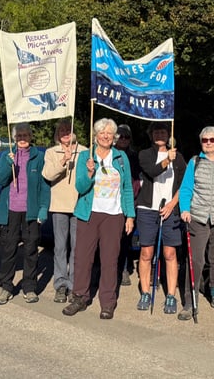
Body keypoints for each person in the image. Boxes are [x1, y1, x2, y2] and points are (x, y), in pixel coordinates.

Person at [62, 118, 136, 319]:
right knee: (83, 257)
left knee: (110, 260)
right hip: (89, 213)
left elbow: (127, 187)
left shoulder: (121, 158)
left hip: (114, 215)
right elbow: (80, 187)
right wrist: (88, 172)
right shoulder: (86, 156)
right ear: (96, 135)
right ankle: (79, 297)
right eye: (102, 132)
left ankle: (108, 302)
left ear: (114, 137)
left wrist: (130, 215)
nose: (105, 136)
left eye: (109, 133)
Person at [177, 126, 214, 321]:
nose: (208, 143)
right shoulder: (195, 162)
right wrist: (184, 209)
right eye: (205, 140)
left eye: (212, 140)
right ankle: (189, 299)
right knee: (195, 260)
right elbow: (186, 188)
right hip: (198, 217)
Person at [0, 123, 50, 304]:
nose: (22, 138)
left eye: (26, 135)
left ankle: (29, 287)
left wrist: (43, 208)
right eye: (19, 135)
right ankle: (6, 286)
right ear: (14, 138)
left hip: (31, 212)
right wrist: (7, 163)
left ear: (31, 137)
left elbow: (44, 186)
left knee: (31, 249)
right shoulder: (6, 155)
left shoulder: (39, 157)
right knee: (9, 250)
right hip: (11, 211)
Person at [135, 121, 187, 314]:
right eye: (156, 131)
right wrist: (166, 160)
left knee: (170, 254)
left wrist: (173, 204)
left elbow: (184, 185)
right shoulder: (145, 154)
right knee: (146, 253)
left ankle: (171, 296)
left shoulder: (179, 158)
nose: (159, 134)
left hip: (170, 209)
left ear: (169, 134)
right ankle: (146, 292)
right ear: (151, 134)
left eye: (163, 131)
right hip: (147, 208)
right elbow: (152, 171)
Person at [42, 119, 87, 303]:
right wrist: (63, 160)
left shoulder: (84, 151)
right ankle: (60, 284)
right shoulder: (51, 152)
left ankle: (75, 283)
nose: (65, 132)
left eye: (68, 129)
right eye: (61, 130)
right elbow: (47, 174)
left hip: (78, 204)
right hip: (59, 205)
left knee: (77, 248)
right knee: (60, 247)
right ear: (57, 134)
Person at [115, 123, 140, 286]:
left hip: (130, 202)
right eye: (120, 136)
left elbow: (137, 181)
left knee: (125, 240)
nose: (123, 139)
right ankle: (106, 270)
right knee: (110, 240)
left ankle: (123, 269)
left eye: (126, 136)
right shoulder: (109, 154)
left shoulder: (134, 156)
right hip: (111, 202)